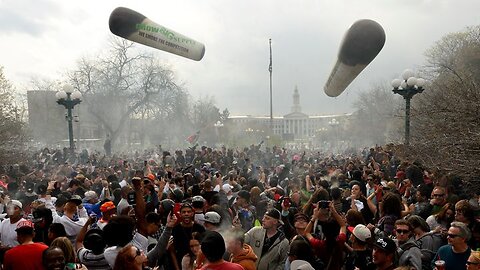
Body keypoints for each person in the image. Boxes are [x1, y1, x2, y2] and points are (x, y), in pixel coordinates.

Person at [171, 203, 205, 269]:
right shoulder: (175, 229)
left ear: (192, 214)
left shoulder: (199, 228)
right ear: (180, 214)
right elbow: (172, 251)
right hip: (180, 261)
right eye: (184, 212)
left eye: (189, 212)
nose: (186, 214)